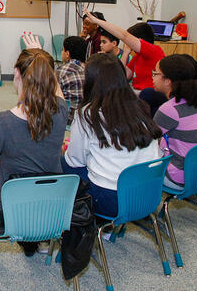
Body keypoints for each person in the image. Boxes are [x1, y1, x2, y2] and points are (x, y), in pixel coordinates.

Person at [0, 34, 68, 261]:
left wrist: (8, 162)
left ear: (16, 74)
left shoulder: (2, 122)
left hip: (15, 211)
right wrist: (42, 59)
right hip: (53, 209)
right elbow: (56, 91)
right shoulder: (61, 110)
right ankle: (32, 242)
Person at [62, 54, 162, 217]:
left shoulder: (88, 114)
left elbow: (75, 160)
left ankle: (69, 218)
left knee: (61, 162)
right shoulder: (140, 107)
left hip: (111, 200)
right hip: (147, 193)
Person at [152, 54, 197, 190]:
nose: (152, 76)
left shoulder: (170, 109)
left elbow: (147, 140)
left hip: (178, 177)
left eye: (155, 73)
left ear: (168, 81)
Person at [84, 9, 165, 92]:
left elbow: (124, 36)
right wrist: (126, 53)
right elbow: (121, 76)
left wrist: (97, 21)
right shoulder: (137, 56)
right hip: (136, 92)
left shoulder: (154, 51)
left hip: (147, 95)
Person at [57, 36, 86, 124]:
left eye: (63, 50)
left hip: (68, 117)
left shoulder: (61, 71)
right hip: (85, 116)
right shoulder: (89, 69)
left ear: (67, 54)